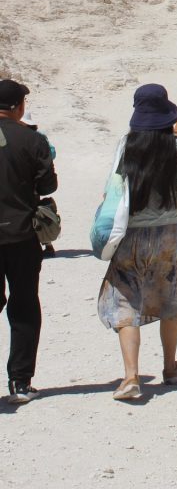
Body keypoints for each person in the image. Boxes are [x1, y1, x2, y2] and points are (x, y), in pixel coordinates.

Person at [97, 83, 177, 402]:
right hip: (170, 233)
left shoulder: (126, 145)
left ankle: (132, 376)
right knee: (169, 294)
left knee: (125, 298)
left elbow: (112, 190)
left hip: (132, 234)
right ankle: (170, 368)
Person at [0, 80, 57, 405]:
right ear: (19, 106)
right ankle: (20, 381)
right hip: (21, 234)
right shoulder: (32, 139)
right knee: (23, 305)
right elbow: (48, 183)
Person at [22, 109, 58, 257]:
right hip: (36, 181)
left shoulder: (24, 137)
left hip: (26, 182)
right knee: (37, 212)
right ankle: (47, 244)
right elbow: (51, 154)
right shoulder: (39, 137)